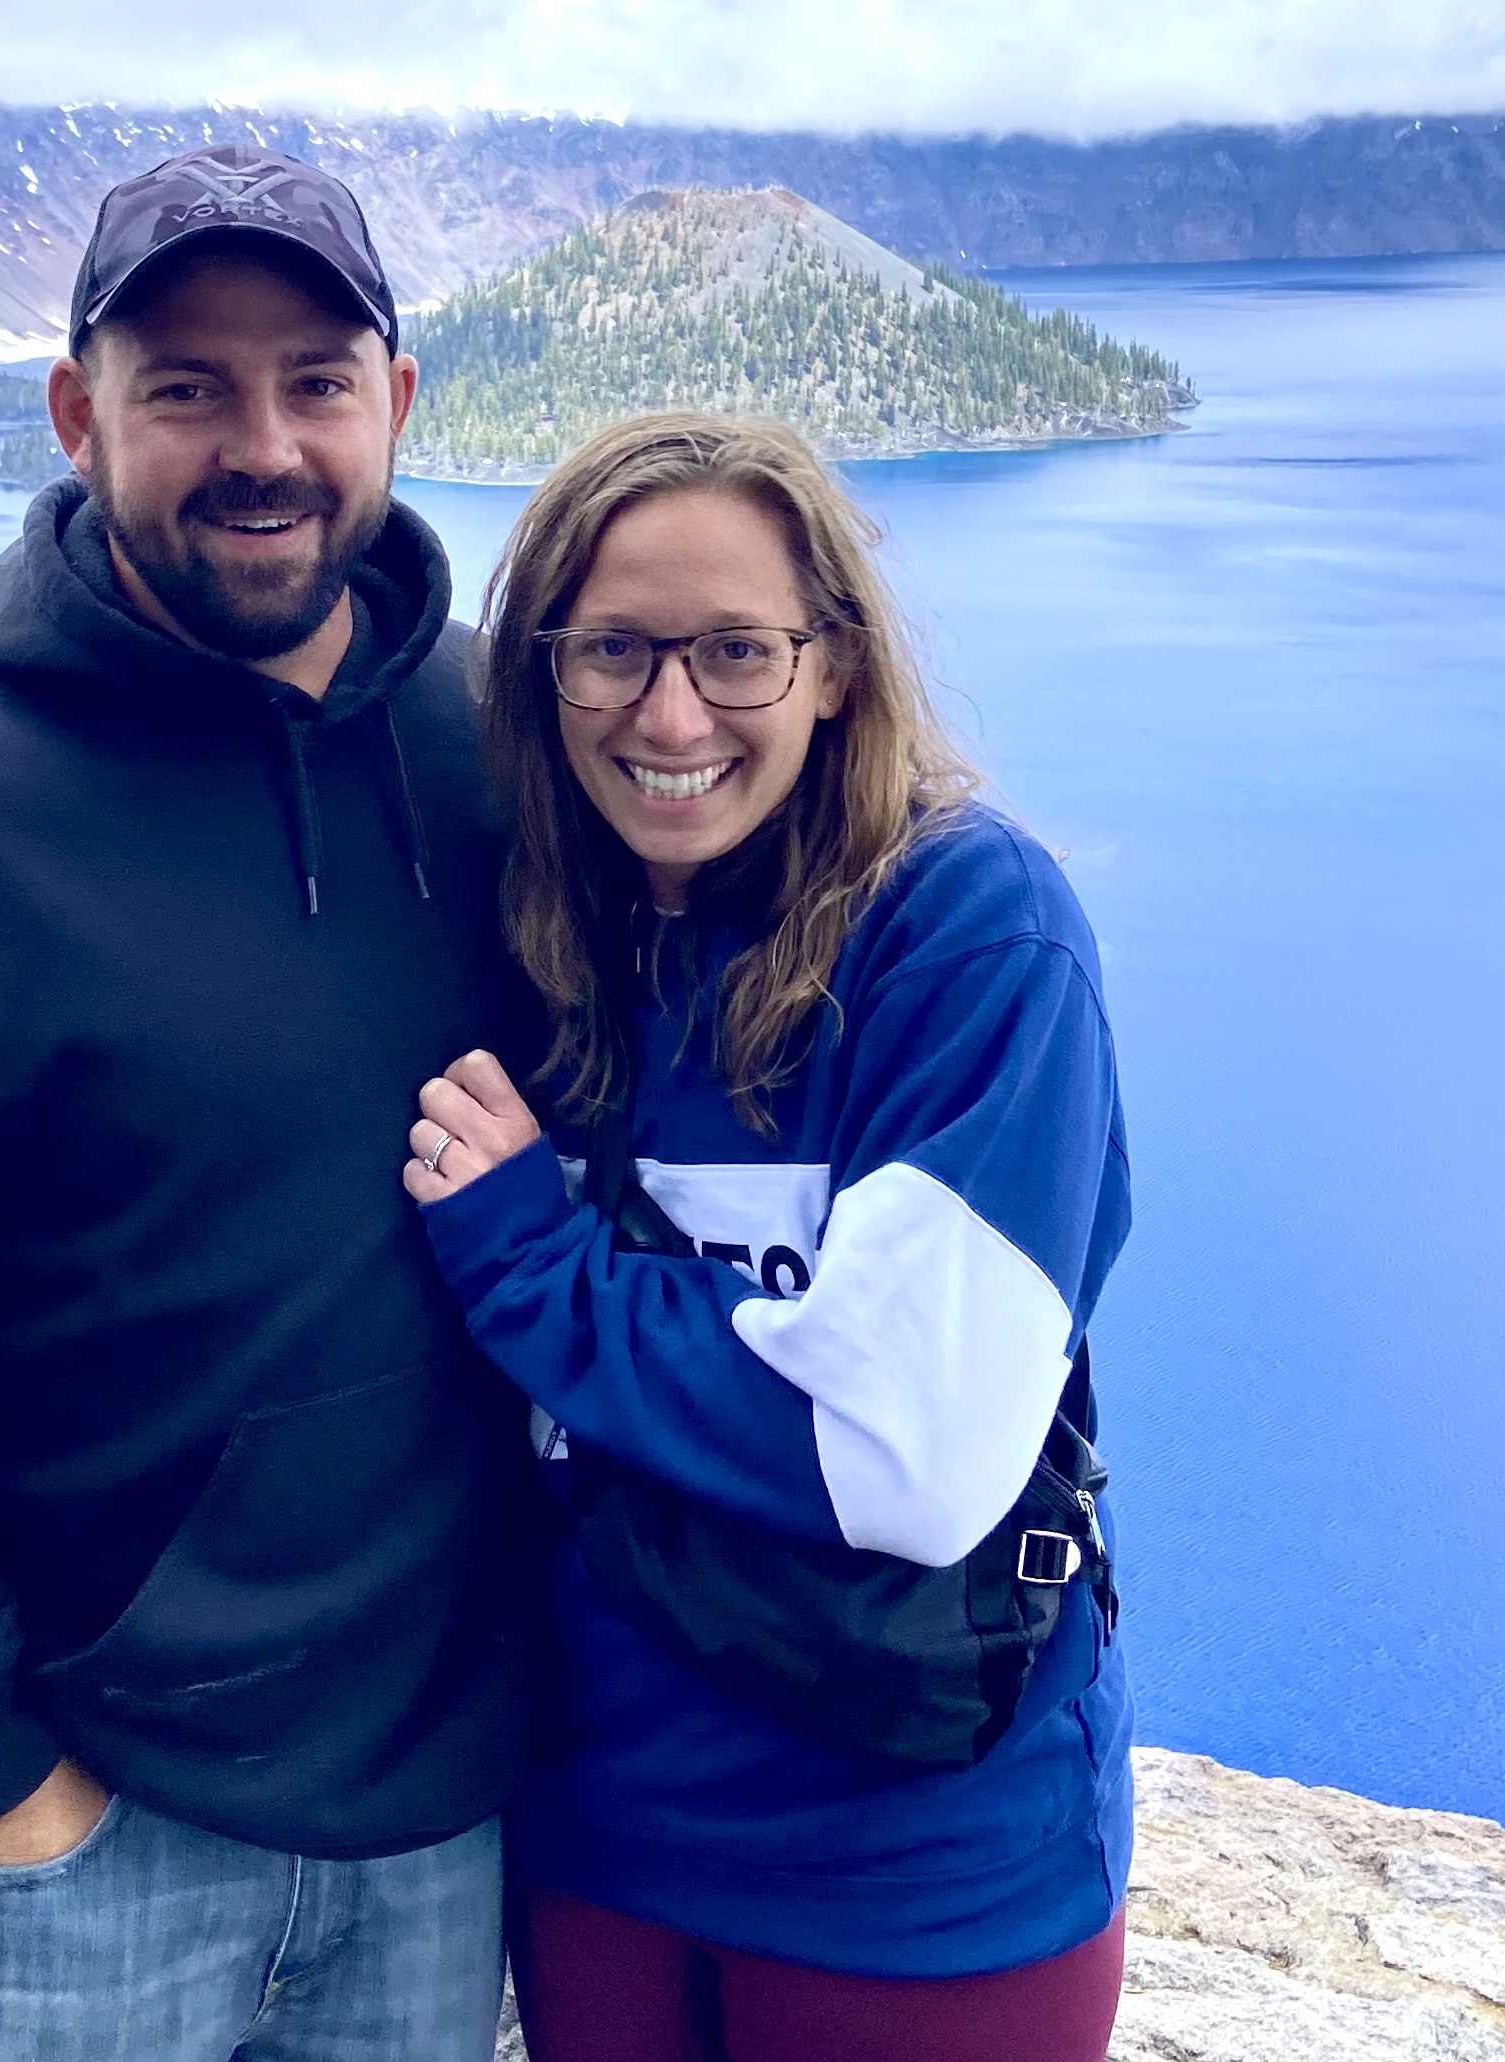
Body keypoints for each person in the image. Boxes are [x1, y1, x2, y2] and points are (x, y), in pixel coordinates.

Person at [0, 144, 541, 2062]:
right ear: (77, 415)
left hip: (433, 1838)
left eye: (313, 378)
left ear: (396, 400)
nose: (263, 446)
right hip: (71, 1852)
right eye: (186, 386)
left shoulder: (510, 766)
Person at [401, 414, 1133, 2062]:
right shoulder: (552, 936)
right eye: (611, 652)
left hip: (918, 1880)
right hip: (599, 1839)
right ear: (545, 681)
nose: (671, 714)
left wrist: (535, 1265)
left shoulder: (966, 931)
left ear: (835, 668)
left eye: (736, 649)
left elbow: (913, 1452)